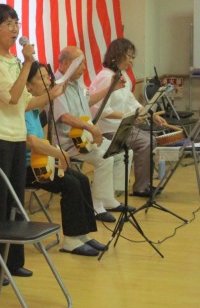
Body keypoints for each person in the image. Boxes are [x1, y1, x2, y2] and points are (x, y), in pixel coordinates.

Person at [0, 4, 63, 286]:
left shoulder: (12, 60)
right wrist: (27, 63)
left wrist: (51, 95)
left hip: (15, 135)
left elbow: (24, 103)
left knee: (15, 202)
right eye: (8, 24)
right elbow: (11, 97)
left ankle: (13, 262)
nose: (15, 29)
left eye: (16, 23)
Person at [25, 62, 107, 256]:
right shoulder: (26, 110)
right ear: (28, 86)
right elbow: (32, 142)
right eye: (41, 78)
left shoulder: (37, 110)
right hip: (29, 169)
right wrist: (59, 154)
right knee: (70, 184)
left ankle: (83, 234)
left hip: (44, 163)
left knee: (82, 180)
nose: (47, 81)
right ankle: (71, 240)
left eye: (47, 76)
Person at [53, 46, 133, 223]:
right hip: (68, 142)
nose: (84, 68)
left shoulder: (76, 83)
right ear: (65, 63)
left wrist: (111, 89)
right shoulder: (56, 85)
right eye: (80, 63)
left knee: (120, 151)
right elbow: (64, 116)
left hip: (85, 137)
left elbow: (87, 101)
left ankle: (109, 198)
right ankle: (96, 206)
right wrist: (92, 128)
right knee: (104, 158)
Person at [89, 38, 166, 197]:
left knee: (150, 139)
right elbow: (100, 111)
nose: (131, 60)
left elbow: (131, 101)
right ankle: (140, 187)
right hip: (107, 130)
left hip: (122, 126)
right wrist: (128, 117)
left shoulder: (121, 75)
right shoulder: (105, 77)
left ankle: (143, 184)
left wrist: (150, 115)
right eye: (129, 56)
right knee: (146, 142)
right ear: (117, 55)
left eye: (132, 57)